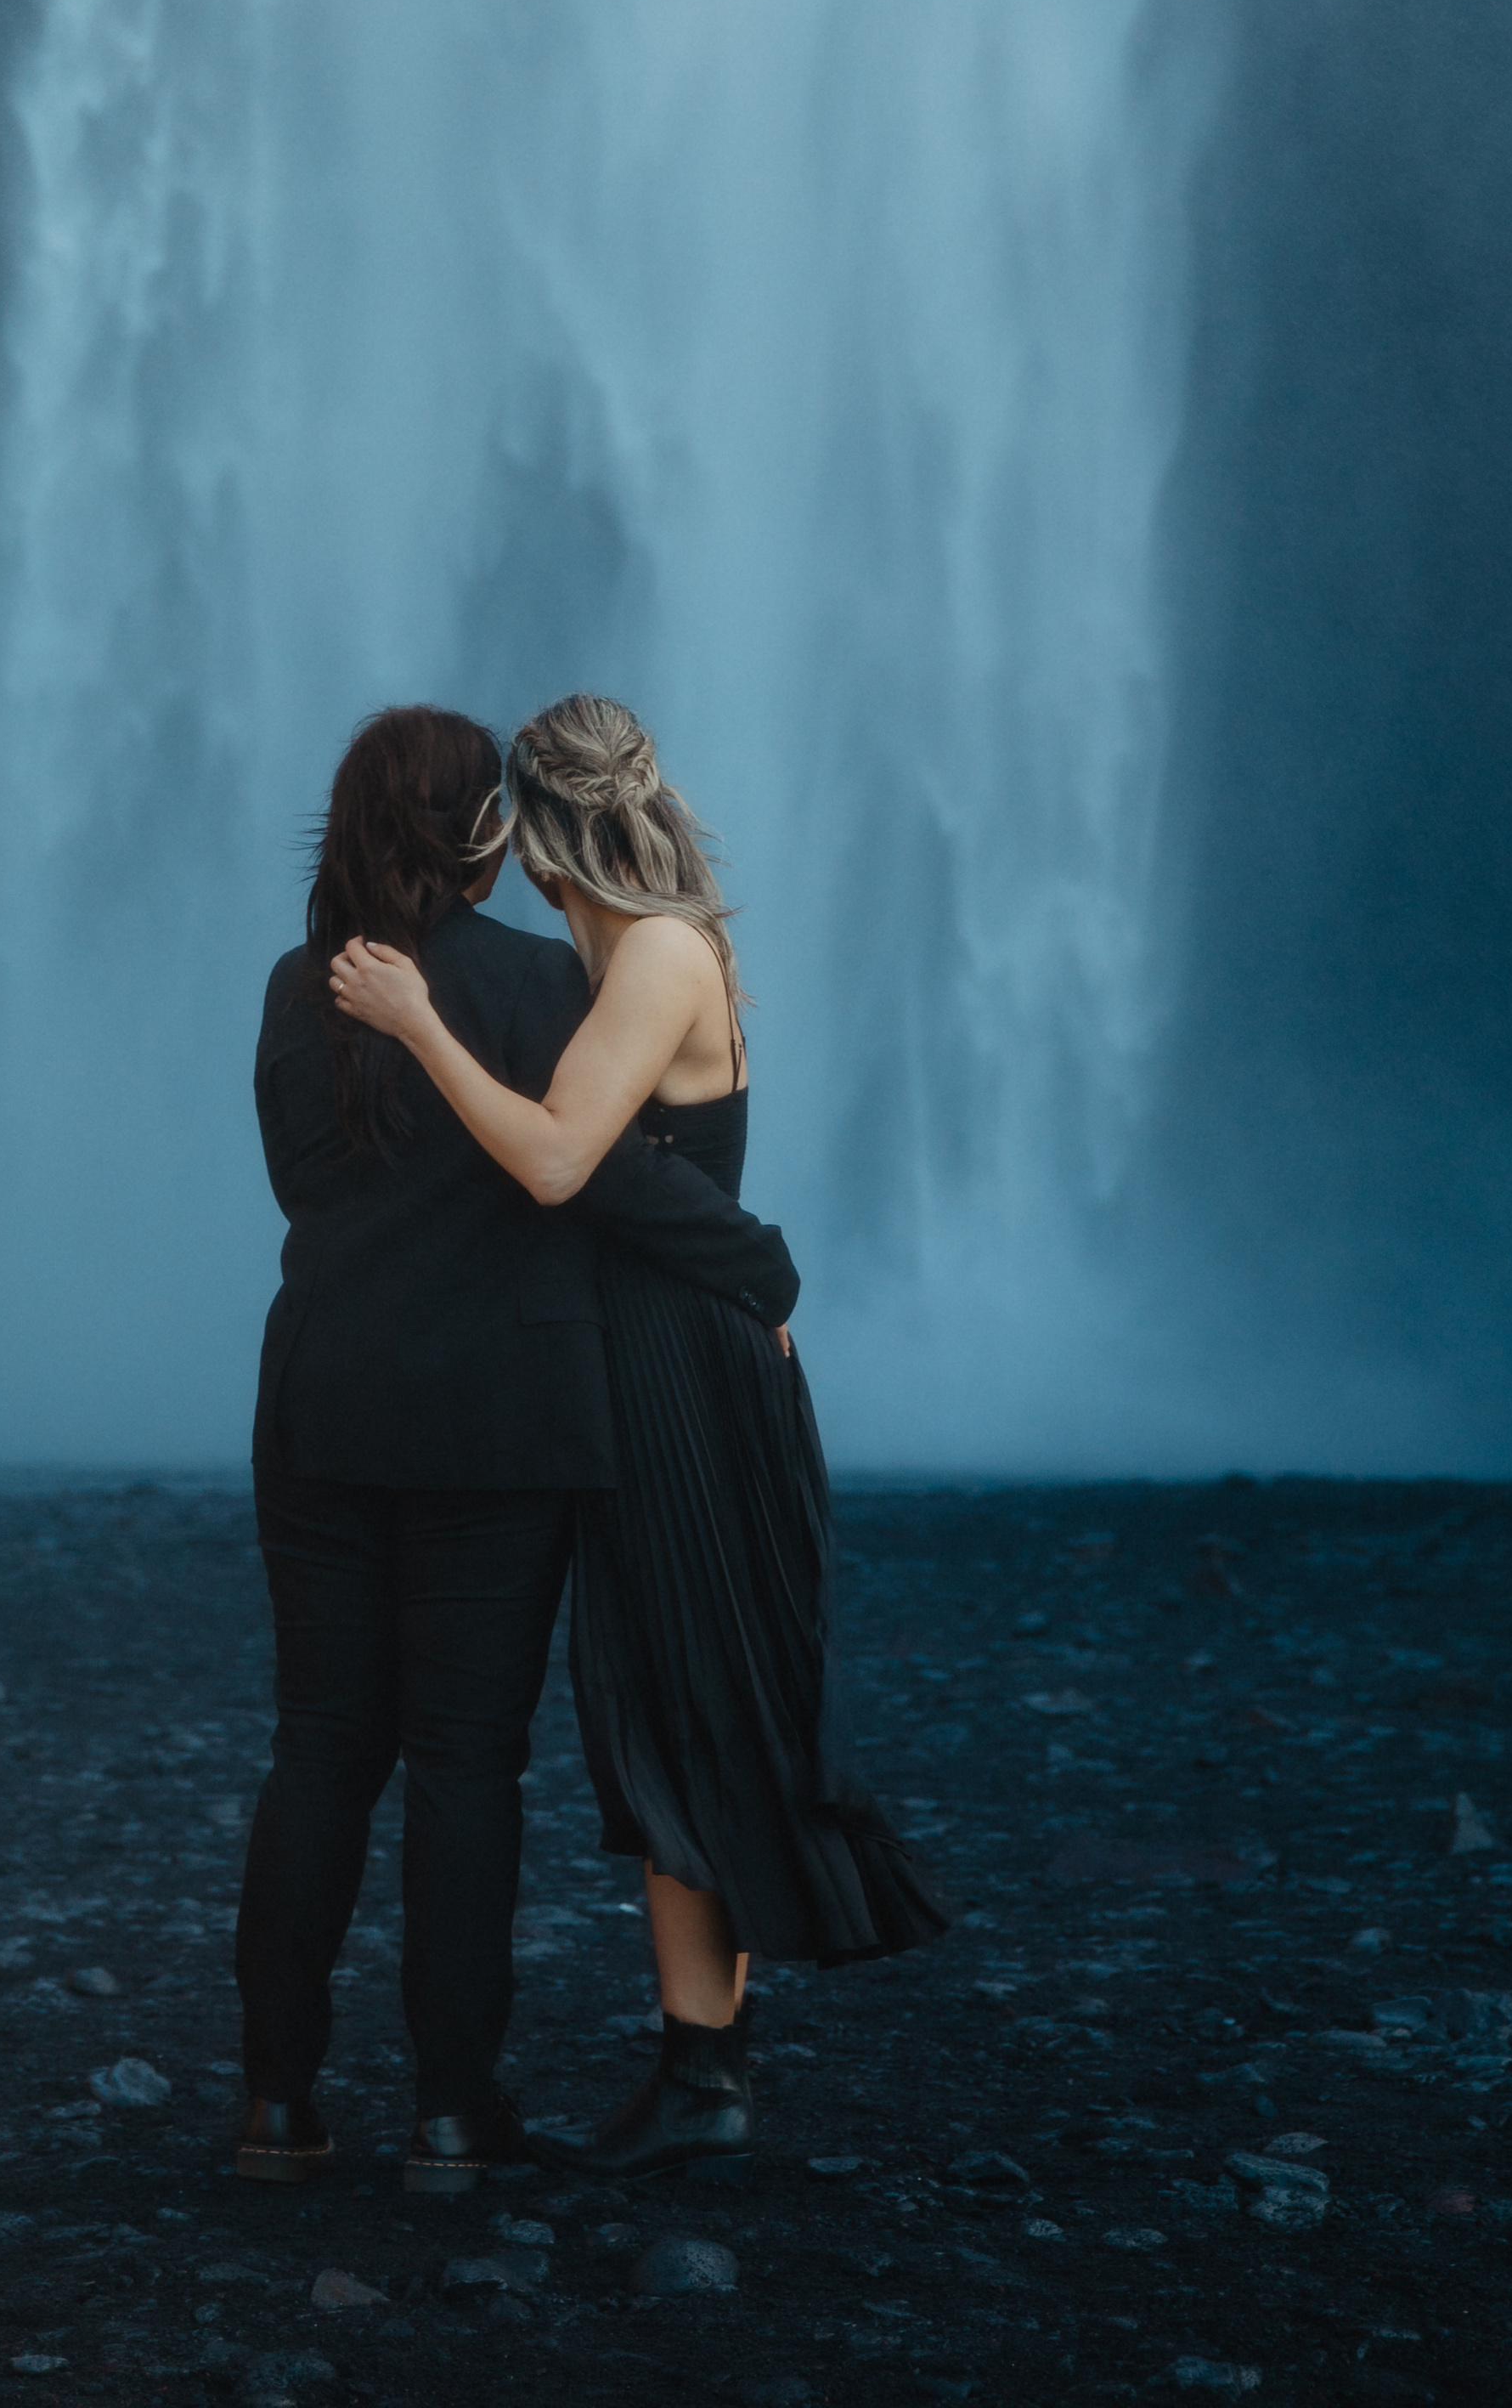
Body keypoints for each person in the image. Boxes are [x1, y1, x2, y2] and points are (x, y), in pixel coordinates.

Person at [329, 692, 951, 2183]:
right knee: (665, 1704)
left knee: (695, 1696)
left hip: (688, 1377)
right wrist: (755, 1262)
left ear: (539, 834)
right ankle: (700, 2068)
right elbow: (634, 1182)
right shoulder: (629, 950)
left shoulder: (660, 953)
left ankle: (708, 2075)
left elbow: (557, 1161)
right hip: (661, 1357)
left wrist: (415, 1019)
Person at [234, 704, 804, 2195]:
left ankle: (279, 2109)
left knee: (317, 1751)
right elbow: (594, 1176)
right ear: (491, 836)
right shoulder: (554, 983)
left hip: (322, 1410)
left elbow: (306, 1179)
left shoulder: (305, 989)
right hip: (498, 1427)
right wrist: (760, 1267)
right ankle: (452, 2112)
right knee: (467, 1767)